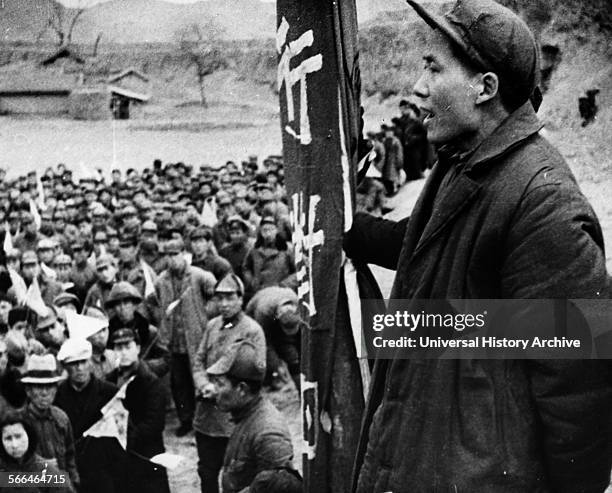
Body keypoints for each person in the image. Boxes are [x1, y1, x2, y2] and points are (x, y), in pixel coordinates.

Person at [345, 1, 612, 491]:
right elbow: (438, 250)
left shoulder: (542, 201)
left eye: (433, 69)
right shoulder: (466, 159)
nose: (418, 86)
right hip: (431, 455)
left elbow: (577, 385)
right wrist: (352, 230)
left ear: (485, 88)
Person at [192, 274, 265, 493]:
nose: (224, 304)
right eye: (219, 298)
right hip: (206, 416)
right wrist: (204, 384)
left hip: (233, 419)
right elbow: (198, 361)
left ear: (241, 299)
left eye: (230, 298)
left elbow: (258, 372)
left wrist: (221, 389)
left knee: (236, 477)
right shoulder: (212, 326)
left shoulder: (252, 330)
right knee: (206, 471)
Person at [207, 339, 293, 493]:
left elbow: (282, 488)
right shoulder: (246, 415)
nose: (215, 390)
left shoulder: (268, 433)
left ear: (241, 389)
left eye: (220, 384)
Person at [151, 238, 216, 437]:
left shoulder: (198, 276)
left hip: (195, 338)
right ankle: (185, 419)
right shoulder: (161, 281)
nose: (172, 259)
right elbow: (153, 302)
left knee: (199, 379)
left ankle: (204, 420)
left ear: (183, 254)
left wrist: (205, 313)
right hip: (173, 341)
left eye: (176, 254)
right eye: (168, 255)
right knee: (179, 384)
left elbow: (215, 292)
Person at [55, 338, 124, 493]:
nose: (80, 368)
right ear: (66, 367)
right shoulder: (57, 396)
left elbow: (122, 435)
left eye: (83, 362)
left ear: (91, 362)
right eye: (74, 363)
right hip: (72, 473)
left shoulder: (110, 393)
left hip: (104, 472)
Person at [107, 328, 170, 493]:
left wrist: (126, 437)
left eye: (128, 347)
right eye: (119, 348)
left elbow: (154, 424)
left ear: (138, 348)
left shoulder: (151, 382)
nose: (124, 352)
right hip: (118, 458)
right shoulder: (109, 381)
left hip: (146, 456)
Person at [21, 354, 79, 491]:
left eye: (49, 386)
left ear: (56, 389)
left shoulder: (61, 419)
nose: (44, 393)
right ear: (28, 391)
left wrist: (73, 483)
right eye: (38, 387)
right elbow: (7, 478)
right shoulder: (17, 423)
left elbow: (70, 459)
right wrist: (42, 467)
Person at [106, 282, 169, 378]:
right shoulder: (108, 332)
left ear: (134, 305)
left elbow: (165, 360)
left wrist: (143, 366)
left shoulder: (150, 331)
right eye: (118, 304)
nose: (122, 308)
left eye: (126, 303)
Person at [245, 286, 302, 390]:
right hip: (255, 312)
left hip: (275, 303)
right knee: (263, 351)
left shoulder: (296, 301)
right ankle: (269, 379)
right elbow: (265, 342)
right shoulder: (263, 311)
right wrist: (276, 366)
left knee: (292, 355)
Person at [0, 412, 69, 492]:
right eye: (8, 438)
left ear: (29, 436)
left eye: (18, 436)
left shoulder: (49, 472)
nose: (14, 445)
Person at [242, 216, 296, 300]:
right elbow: (246, 267)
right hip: (259, 293)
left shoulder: (287, 249)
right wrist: (252, 282)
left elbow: (298, 271)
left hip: (281, 294)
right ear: (260, 232)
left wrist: (284, 284)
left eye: (271, 230)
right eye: (265, 230)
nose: (268, 234)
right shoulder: (254, 250)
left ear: (277, 230)